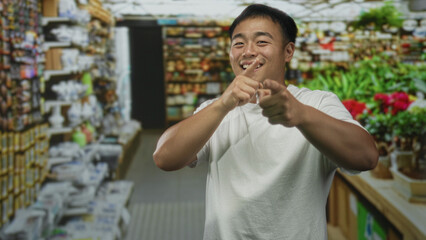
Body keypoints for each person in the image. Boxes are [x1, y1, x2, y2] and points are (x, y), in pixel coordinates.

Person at [153, 4, 378, 239]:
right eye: (238, 43)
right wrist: (222, 104)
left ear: (288, 51)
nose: (248, 51)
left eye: (262, 42)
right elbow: (164, 158)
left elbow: (367, 157)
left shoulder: (317, 103)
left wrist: (300, 114)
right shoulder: (216, 111)